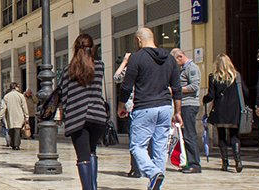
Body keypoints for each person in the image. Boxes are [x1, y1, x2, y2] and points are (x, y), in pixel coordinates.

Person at [117, 27, 183, 190]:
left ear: (139, 40)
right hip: (166, 107)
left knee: (137, 146)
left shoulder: (137, 58)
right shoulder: (169, 58)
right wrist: (178, 112)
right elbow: (177, 87)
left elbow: (126, 86)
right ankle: (156, 184)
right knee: (160, 147)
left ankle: (153, 173)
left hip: (145, 107)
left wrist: (121, 105)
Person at [57, 34, 108, 189]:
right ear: (92, 48)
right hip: (97, 116)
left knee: (82, 156)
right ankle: (92, 186)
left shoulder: (67, 71)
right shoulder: (99, 66)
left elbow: (61, 92)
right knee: (92, 151)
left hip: (77, 117)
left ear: (75, 48)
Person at [202, 54, 248, 173]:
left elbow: (211, 95)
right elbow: (245, 92)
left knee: (221, 136)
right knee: (234, 135)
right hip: (234, 110)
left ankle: (225, 163)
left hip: (220, 110)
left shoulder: (213, 77)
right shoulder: (236, 76)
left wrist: (205, 99)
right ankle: (238, 160)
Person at [171, 48, 203, 174]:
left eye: (175, 61)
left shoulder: (192, 68)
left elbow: (194, 87)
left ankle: (195, 164)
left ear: (180, 57)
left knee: (190, 135)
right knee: (184, 136)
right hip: (183, 105)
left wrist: (176, 89)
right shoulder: (182, 69)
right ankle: (187, 162)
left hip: (190, 105)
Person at [0, 82, 28, 150]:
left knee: (11, 130)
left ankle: (13, 143)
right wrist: (26, 116)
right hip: (19, 116)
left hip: (10, 116)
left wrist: (0, 117)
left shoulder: (7, 96)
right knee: (17, 130)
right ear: (16, 87)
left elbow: (3, 108)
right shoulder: (21, 96)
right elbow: (24, 107)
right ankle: (16, 144)